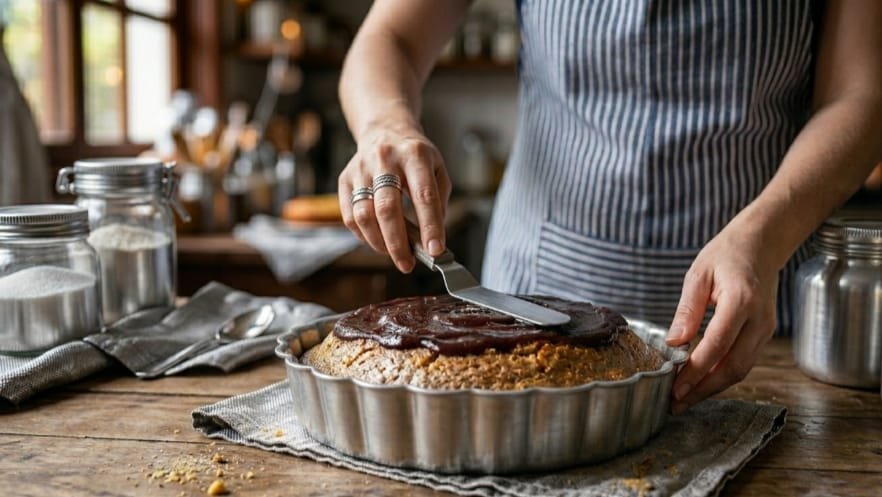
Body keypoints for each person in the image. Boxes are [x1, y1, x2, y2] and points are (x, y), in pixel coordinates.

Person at [336, 0, 882, 413]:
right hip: (529, 294)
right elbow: (390, 38)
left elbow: (861, 94)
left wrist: (767, 233)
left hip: (754, 316)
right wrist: (385, 123)